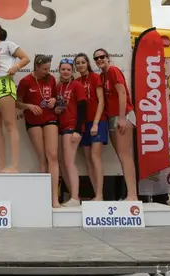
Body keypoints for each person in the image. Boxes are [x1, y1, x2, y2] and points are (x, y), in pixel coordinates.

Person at [0, 22, 30, 173]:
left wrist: (16, 67)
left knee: (9, 124)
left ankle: (14, 166)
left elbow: (25, 58)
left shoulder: (8, 45)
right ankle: (0, 165)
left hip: (4, 82)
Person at [94, 48, 138, 201]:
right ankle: (130, 193)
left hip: (123, 115)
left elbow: (122, 93)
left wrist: (121, 118)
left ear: (108, 57)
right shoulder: (102, 75)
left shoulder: (113, 71)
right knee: (122, 156)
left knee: (125, 156)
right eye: (97, 58)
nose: (100, 60)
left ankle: (132, 194)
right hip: (112, 117)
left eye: (102, 57)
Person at [17, 55, 60, 207]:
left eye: (49, 68)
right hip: (33, 120)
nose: (47, 72)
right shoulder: (26, 81)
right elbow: (17, 102)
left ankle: (55, 198)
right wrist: (28, 106)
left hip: (50, 117)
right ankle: (44, 197)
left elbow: (55, 96)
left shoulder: (51, 79)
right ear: (36, 67)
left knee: (52, 155)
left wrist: (54, 100)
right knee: (42, 158)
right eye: (44, 69)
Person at [74, 53, 106, 201]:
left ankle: (100, 195)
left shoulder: (95, 77)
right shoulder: (77, 81)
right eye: (78, 63)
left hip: (97, 122)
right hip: (83, 124)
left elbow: (101, 101)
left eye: (83, 62)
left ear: (87, 63)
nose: (80, 65)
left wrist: (95, 123)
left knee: (95, 157)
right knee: (87, 159)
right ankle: (95, 194)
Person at [56, 59, 86, 207]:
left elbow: (82, 108)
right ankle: (73, 195)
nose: (66, 72)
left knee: (69, 162)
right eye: (63, 69)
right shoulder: (58, 87)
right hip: (60, 127)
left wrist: (77, 130)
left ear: (72, 71)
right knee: (62, 163)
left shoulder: (77, 85)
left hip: (71, 127)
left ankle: (75, 197)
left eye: (68, 69)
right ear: (59, 70)